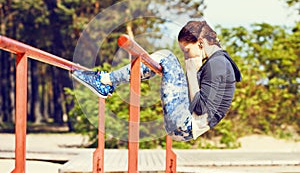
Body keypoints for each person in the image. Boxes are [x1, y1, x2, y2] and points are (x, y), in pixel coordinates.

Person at [72, 20, 242, 141]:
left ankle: (106, 81)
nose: (186, 56)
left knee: (167, 57)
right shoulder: (220, 62)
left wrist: (191, 70)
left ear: (201, 43)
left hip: (186, 125)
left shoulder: (218, 65)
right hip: (186, 126)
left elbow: (200, 108)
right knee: (166, 60)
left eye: (187, 51)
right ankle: (107, 81)